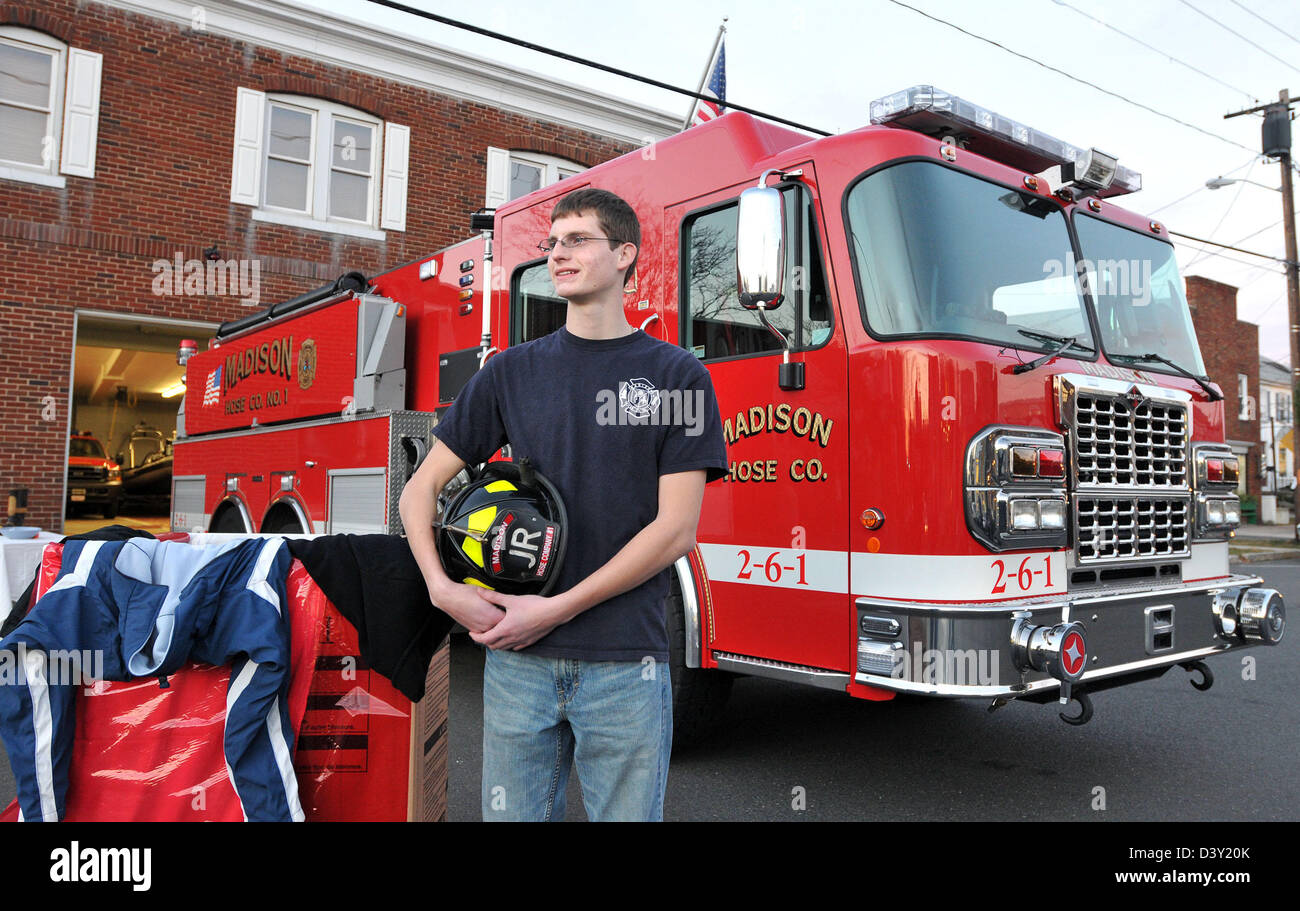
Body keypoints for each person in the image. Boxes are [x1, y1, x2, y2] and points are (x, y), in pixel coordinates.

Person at [399, 187, 727, 821]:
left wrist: (552, 610)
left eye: (578, 240)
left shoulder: (678, 375)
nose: (557, 254)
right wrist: (442, 589)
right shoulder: (508, 372)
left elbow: (675, 530)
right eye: (552, 243)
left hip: (625, 666)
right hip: (518, 665)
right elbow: (420, 490)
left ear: (626, 254)